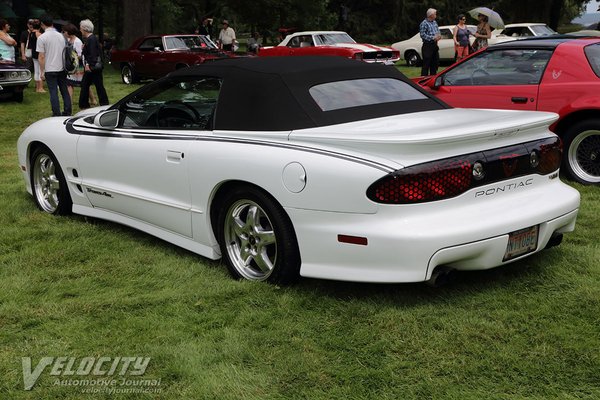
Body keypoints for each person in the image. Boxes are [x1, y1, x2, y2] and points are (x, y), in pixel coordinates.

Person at [36, 14, 71, 116]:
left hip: (50, 69)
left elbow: (41, 56)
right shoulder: (61, 36)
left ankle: (56, 113)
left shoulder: (42, 37)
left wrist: (42, 72)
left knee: (53, 92)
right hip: (61, 67)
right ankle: (67, 111)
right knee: (64, 91)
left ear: (42, 24)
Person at [63, 23, 96, 105]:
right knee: (69, 84)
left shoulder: (77, 41)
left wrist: (76, 58)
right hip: (71, 66)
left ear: (69, 32)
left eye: (65, 31)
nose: (63, 33)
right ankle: (69, 102)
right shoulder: (67, 40)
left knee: (84, 84)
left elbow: (82, 55)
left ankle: (93, 99)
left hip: (78, 67)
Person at [79, 19, 109, 109]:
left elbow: (92, 54)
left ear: (85, 29)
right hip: (94, 67)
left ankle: (84, 104)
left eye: (81, 28)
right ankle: (103, 103)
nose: (80, 30)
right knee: (95, 85)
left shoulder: (91, 39)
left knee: (87, 85)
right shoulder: (92, 39)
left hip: (92, 67)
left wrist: (88, 65)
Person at [419, 8, 441, 76]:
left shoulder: (434, 22)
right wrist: (432, 38)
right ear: (431, 15)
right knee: (426, 63)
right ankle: (423, 79)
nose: (436, 15)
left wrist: (439, 36)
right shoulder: (424, 23)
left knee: (434, 63)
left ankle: (433, 78)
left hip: (434, 45)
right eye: (435, 14)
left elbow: (438, 30)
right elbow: (422, 35)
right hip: (427, 46)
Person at [30, 20, 45, 92]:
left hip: (33, 53)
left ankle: (37, 87)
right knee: (40, 70)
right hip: (39, 53)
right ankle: (40, 88)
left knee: (36, 71)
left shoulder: (31, 33)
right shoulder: (39, 34)